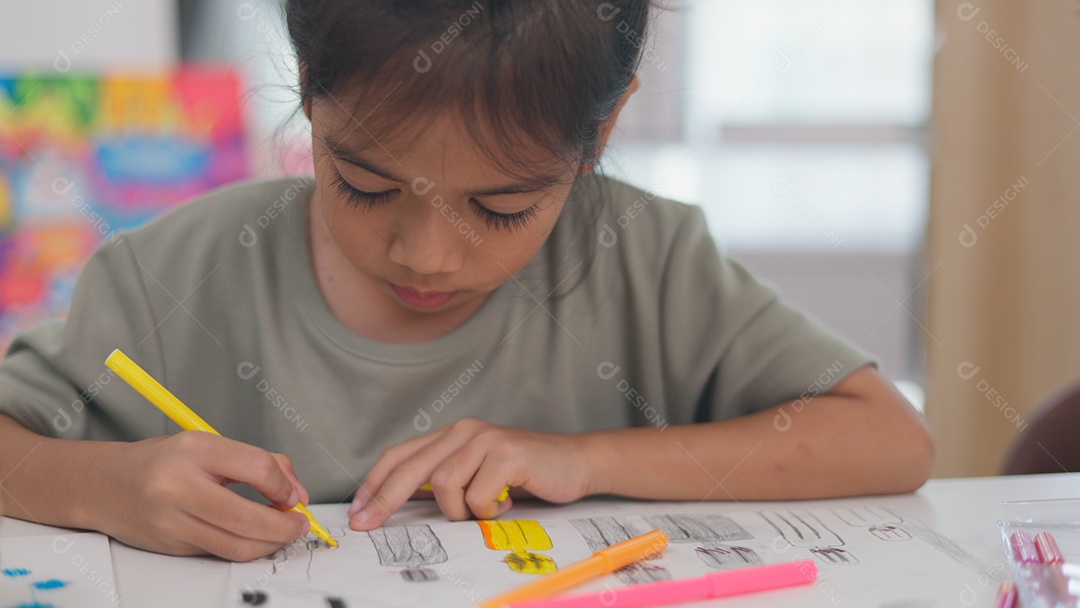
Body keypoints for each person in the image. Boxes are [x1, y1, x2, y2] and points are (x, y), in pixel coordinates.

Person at [0, 0, 932, 562]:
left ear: (599, 138)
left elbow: (890, 440)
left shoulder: (643, 259)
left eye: (499, 209)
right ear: (307, 94)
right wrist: (106, 485)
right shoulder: (175, 275)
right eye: (364, 184)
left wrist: (587, 459)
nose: (428, 255)